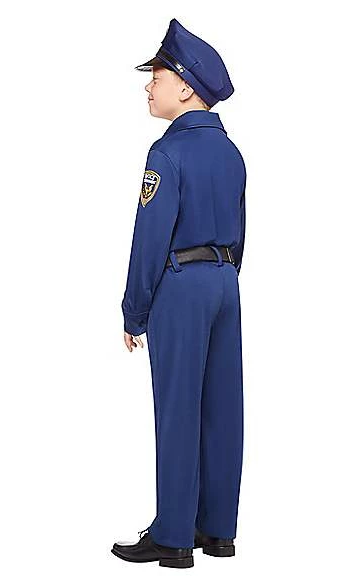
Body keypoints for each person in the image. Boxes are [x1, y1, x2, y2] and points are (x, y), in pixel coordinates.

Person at [111, 18, 246, 569]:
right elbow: (241, 229)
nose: (149, 87)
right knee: (223, 409)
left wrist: (134, 310)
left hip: (181, 286)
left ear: (185, 87)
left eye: (158, 77)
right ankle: (218, 530)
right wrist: (224, 280)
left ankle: (172, 538)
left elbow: (150, 238)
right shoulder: (231, 153)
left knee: (178, 409)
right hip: (225, 283)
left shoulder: (167, 153)